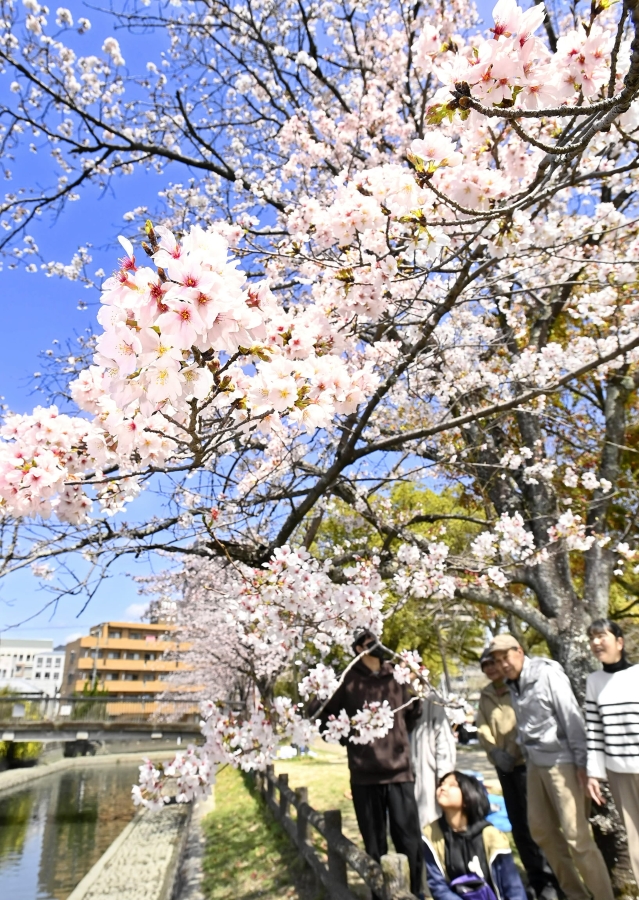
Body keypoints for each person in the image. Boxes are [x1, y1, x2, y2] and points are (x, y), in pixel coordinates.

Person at [488, 633, 614, 900]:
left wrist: (583, 765)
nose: (503, 664)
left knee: (576, 836)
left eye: (506, 657)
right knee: (541, 830)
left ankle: (604, 896)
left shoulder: (546, 674)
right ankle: (575, 894)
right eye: (497, 660)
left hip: (562, 761)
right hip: (535, 763)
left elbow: (572, 719)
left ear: (519, 651)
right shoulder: (513, 683)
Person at [313, 629, 424, 895]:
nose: (377, 646)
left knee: (409, 840)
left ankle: (415, 892)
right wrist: (349, 737)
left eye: (378, 640)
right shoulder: (347, 680)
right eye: (370, 642)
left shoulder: (397, 675)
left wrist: (397, 737)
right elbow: (322, 715)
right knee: (374, 845)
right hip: (365, 775)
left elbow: (412, 712)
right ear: (357, 649)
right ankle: (380, 893)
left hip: (399, 772)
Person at [477, 649, 559, 900]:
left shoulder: (517, 686)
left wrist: (512, 751)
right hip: (503, 767)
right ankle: (535, 879)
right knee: (518, 825)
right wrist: (495, 753)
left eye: (493, 663)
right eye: (485, 666)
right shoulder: (486, 694)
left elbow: (522, 722)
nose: (490, 669)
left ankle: (552, 880)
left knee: (536, 823)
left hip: (525, 763)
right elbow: (482, 727)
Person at [585, 618, 639, 885]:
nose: (596, 642)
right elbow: (594, 731)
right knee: (635, 839)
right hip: (618, 771)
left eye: (601, 636)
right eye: (592, 637)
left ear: (619, 641)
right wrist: (594, 774)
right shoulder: (594, 681)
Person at [422, 771, 527, 900]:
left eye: (452, 785)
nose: (442, 788)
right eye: (442, 784)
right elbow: (436, 885)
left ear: (468, 797)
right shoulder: (431, 834)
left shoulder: (492, 837)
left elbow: (512, 887)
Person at [410, 692, 457, 828]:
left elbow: (444, 745)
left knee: (429, 829)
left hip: (426, 778)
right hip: (398, 780)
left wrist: (444, 780)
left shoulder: (431, 700)